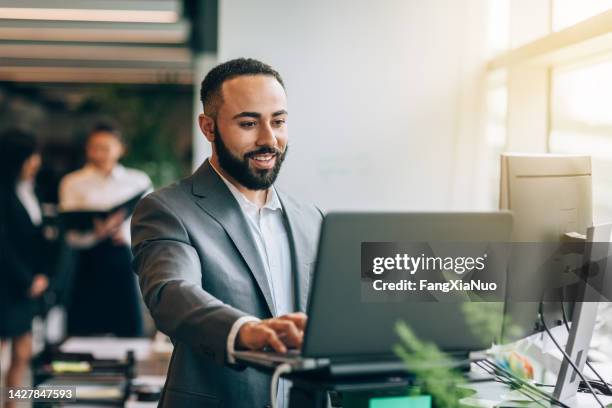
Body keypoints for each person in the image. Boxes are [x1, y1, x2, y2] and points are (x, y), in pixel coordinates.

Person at [131, 58, 323, 407]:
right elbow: (171, 292)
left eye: (278, 121)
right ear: (208, 128)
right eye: (249, 123)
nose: (269, 139)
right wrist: (246, 331)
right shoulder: (167, 209)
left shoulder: (311, 218)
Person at [59, 123, 151, 337]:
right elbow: (69, 229)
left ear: (121, 148)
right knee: (83, 330)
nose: (99, 153)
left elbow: (149, 225)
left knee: (128, 329)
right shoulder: (72, 182)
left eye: (106, 147)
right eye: (94, 147)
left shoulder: (137, 181)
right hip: (87, 259)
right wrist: (95, 231)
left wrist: (125, 234)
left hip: (123, 257)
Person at [0, 128, 50, 408]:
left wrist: (41, 275)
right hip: (7, 282)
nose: (36, 162)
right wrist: (26, 278)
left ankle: (12, 405)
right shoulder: (3, 192)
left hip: (28, 285)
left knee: (23, 352)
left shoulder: (32, 190)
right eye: (32, 156)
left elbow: (38, 238)